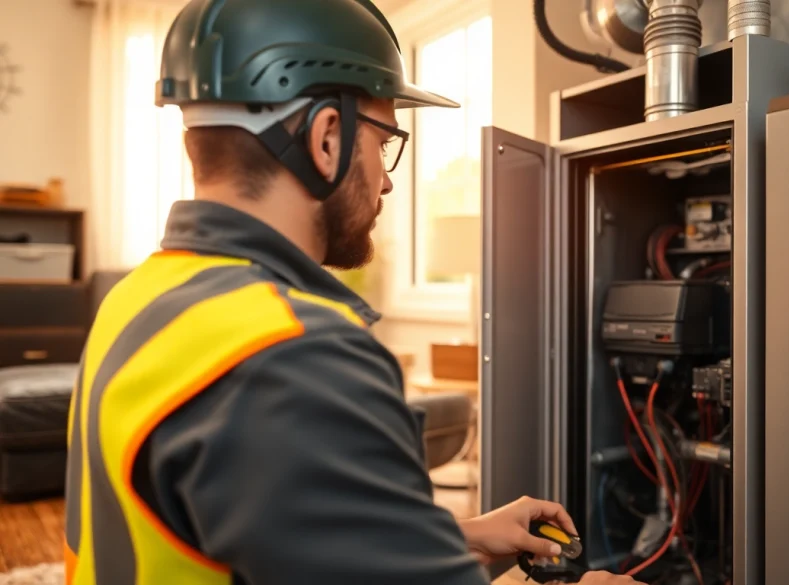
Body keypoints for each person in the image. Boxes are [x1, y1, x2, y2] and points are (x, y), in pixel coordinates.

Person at [62, 0, 641, 584]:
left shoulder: (141, 297)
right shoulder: (294, 353)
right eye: (384, 140)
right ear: (328, 137)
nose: (388, 177)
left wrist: (447, 535)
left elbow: (237, 522)